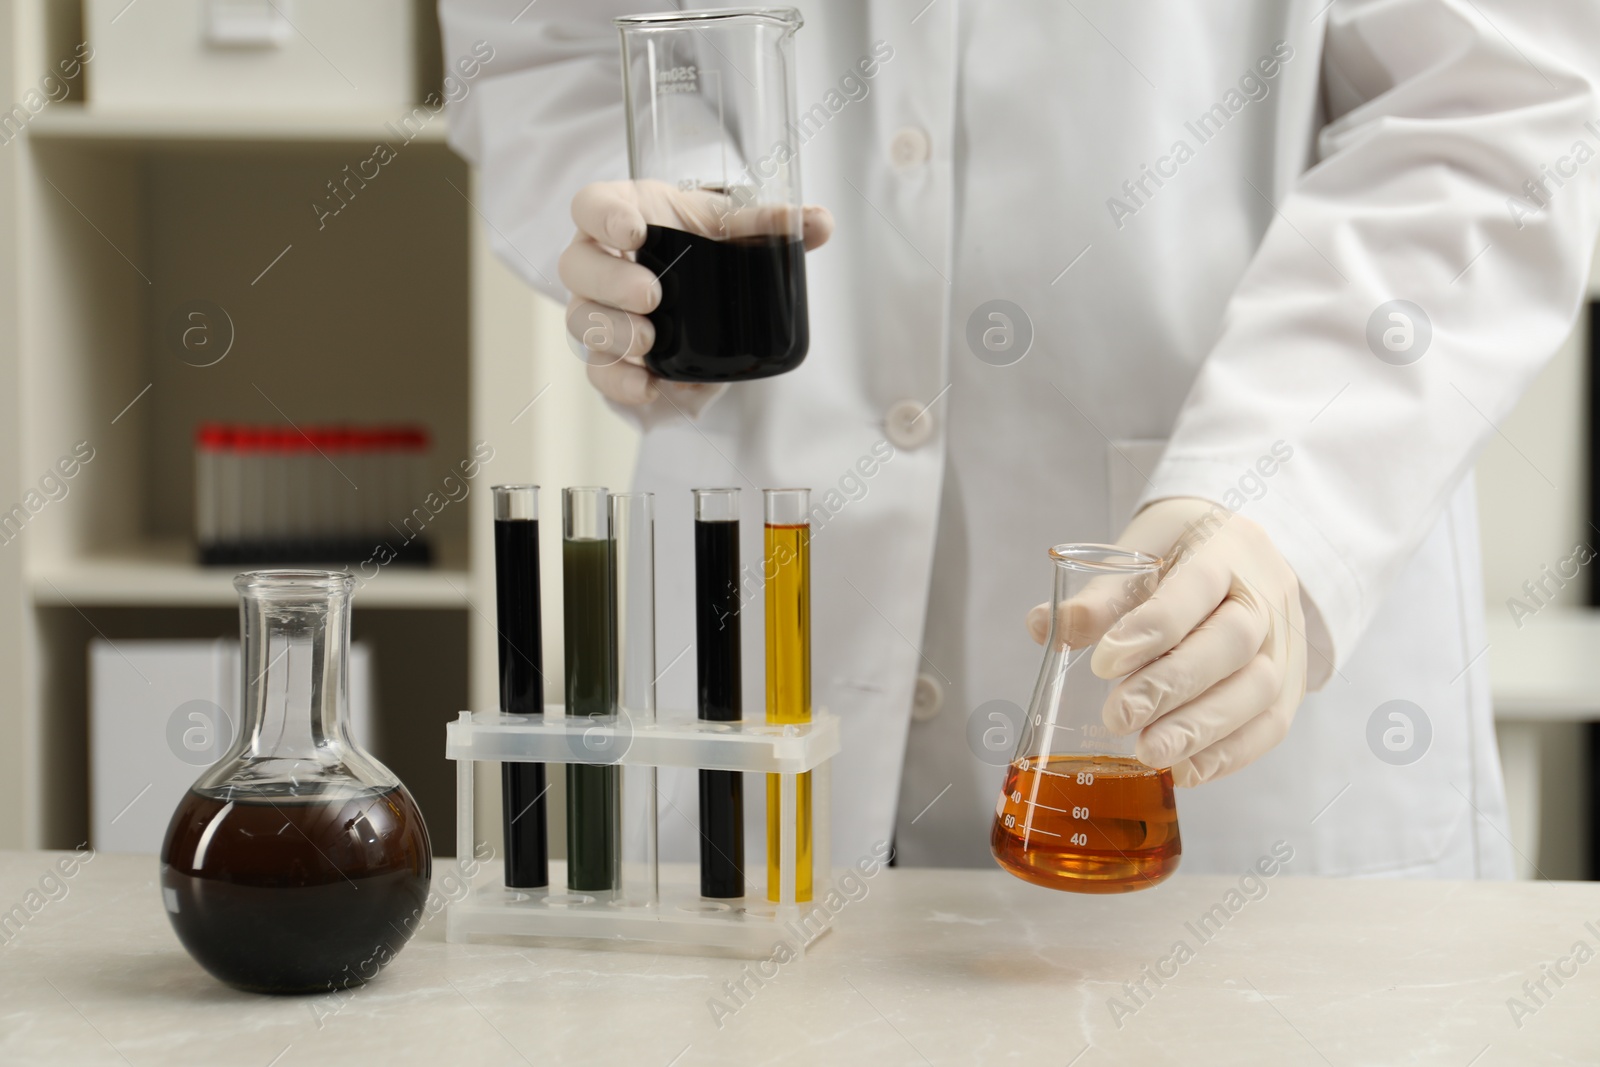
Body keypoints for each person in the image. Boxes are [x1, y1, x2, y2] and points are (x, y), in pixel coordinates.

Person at [441, 0, 1600, 877]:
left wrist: (1276, 489)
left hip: (1239, 574)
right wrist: (677, 237)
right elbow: (541, 45)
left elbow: (1492, 105)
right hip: (768, 592)